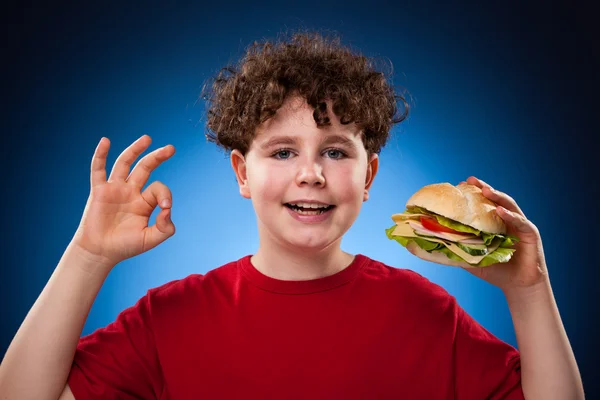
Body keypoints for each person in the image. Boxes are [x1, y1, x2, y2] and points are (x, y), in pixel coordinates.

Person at [0, 31, 584, 400]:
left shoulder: (428, 316)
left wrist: (531, 291)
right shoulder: (168, 318)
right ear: (242, 174)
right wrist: (89, 255)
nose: (312, 173)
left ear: (370, 175)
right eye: (283, 152)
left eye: (335, 150)